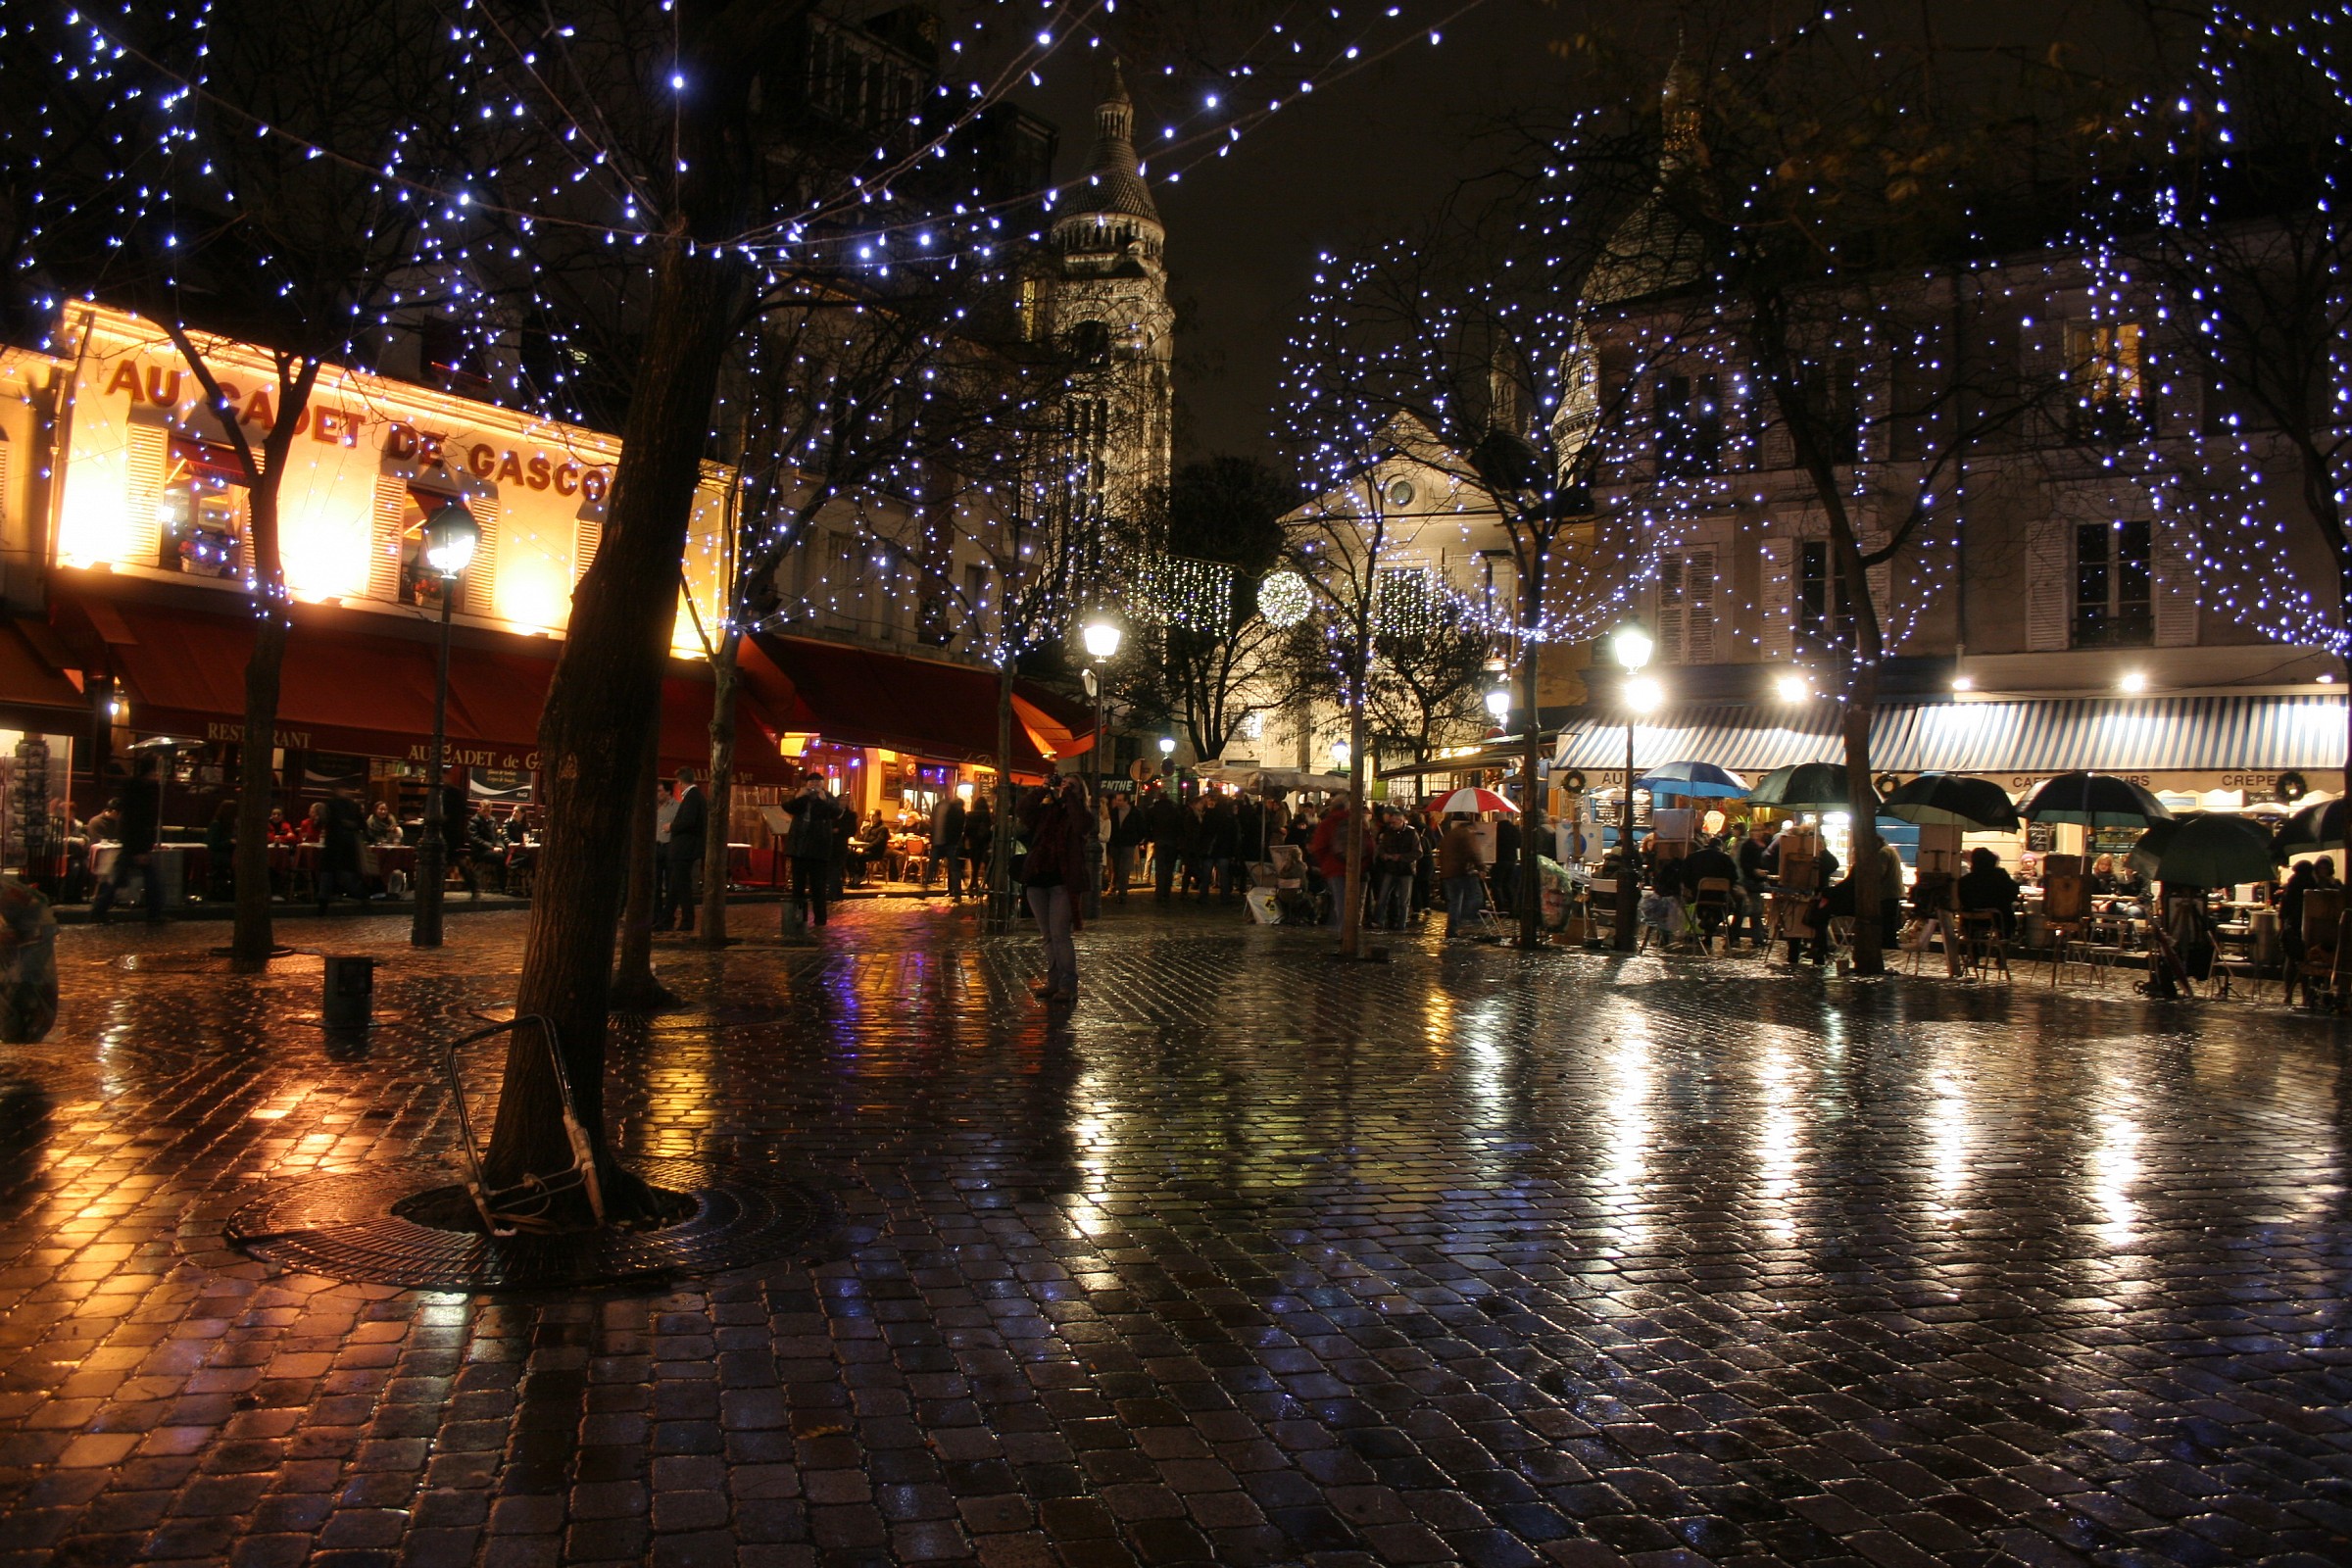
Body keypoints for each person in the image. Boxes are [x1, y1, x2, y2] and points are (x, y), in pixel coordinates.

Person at [1018, 777, 1090, 1005]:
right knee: (1048, 936)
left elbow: (1081, 825)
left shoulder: (1082, 815)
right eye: (1063, 784)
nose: (1065, 787)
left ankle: (1068, 985)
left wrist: (1069, 795)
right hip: (1038, 879)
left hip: (1062, 881)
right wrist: (1042, 790)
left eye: (1072, 785)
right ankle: (1054, 981)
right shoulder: (1047, 812)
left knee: (1060, 934)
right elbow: (1022, 810)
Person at [89, 760, 165, 923]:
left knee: (118, 879)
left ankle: (99, 910)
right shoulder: (142, 793)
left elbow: (131, 821)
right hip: (136, 844)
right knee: (148, 879)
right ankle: (154, 914)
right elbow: (139, 821)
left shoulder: (133, 791)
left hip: (132, 843)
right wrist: (141, 849)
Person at [781, 777, 839, 929]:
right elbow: (787, 807)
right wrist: (798, 796)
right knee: (797, 888)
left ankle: (820, 920)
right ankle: (799, 919)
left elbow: (836, 812)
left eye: (817, 783)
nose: (814, 786)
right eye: (811, 783)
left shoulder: (828, 798)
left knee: (818, 887)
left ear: (822, 784)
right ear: (806, 784)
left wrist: (823, 800)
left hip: (818, 852)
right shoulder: (802, 798)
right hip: (799, 850)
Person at [658, 766, 707, 932]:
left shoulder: (692, 797)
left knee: (682, 885)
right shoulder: (696, 796)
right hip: (685, 848)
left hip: (684, 848)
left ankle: (687, 920)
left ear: (680, 782)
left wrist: (671, 826)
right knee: (675, 885)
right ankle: (667, 919)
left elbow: (688, 821)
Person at [314, 788, 368, 913]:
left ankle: (323, 902)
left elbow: (322, 821)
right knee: (346, 874)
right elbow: (362, 825)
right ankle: (362, 895)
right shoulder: (353, 806)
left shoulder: (330, 804)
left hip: (332, 844)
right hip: (347, 846)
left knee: (327, 874)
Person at [1684, 834, 1740, 947]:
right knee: (1736, 905)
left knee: (1704, 907)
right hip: (1720, 898)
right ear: (1720, 847)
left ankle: (1707, 923)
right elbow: (1733, 878)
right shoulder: (1725, 859)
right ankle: (1728, 934)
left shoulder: (1693, 858)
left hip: (1698, 896)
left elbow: (1684, 876)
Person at [1308, 800, 1356, 928]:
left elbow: (1318, 847)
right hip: (1357, 868)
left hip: (1334, 867)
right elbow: (1369, 845)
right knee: (1354, 902)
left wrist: (1325, 864)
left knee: (1340, 901)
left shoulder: (1328, 823)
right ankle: (1350, 929)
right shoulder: (1357, 821)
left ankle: (1341, 931)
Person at [1956, 847, 2022, 939]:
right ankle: (2004, 944)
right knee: (2007, 911)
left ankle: (1973, 948)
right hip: (1997, 919)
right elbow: (2012, 892)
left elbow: (1962, 899)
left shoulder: (1965, 880)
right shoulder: (2000, 875)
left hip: (1970, 920)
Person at [1436, 813, 1484, 939]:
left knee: (1454, 902)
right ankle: (1466, 917)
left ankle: (1452, 928)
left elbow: (1442, 854)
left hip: (1448, 873)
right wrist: (1481, 868)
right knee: (1476, 897)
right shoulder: (1466, 834)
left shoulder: (1449, 835)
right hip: (1462, 872)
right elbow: (1473, 852)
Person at [1371, 808, 1419, 931]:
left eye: (1394, 823)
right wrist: (1384, 855)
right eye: (1390, 823)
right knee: (1382, 897)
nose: (1391, 825)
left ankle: (1401, 924)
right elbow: (1382, 848)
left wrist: (1402, 857)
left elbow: (1418, 852)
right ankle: (1378, 920)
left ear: (1401, 821)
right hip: (1391, 869)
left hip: (1406, 870)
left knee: (1404, 900)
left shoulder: (1411, 833)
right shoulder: (1389, 833)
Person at [1736, 820, 1775, 950]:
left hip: (1758, 880)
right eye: (1753, 830)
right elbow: (1744, 863)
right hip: (1748, 880)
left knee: (1751, 909)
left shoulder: (1764, 844)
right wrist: (1754, 870)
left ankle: (1746, 936)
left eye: (1758, 830)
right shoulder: (1747, 845)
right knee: (1752, 909)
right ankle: (1755, 938)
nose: (1756, 833)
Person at [1145, 786, 1185, 900]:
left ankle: (1159, 891)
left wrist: (1150, 838)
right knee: (1169, 868)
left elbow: (1148, 825)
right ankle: (1166, 891)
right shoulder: (1174, 810)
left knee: (1159, 867)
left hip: (1159, 840)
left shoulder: (1154, 810)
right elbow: (1180, 826)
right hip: (1172, 841)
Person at [1105, 793, 1143, 901]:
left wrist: (1135, 840)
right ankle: (1117, 887)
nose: (1118, 802)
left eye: (1120, 800)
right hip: (1115, 844)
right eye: (1117, 800)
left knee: (1125, 869)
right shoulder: (1113, 812)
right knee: (1116, 867)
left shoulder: (1135, 813)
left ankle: (1122, 892)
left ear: (1126, 801)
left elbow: (1141, 827)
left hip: (1128, 844)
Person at [934, 792, 967, 901]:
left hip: (948, 843)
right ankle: (956, 892)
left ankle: (953, 890)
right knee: (955, 868)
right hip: (954, 843)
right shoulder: (961, 813)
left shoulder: (953, 812)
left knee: (952, 868)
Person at [203, 799, 238, 901]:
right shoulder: (217, 825)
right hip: (218, 856)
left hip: (227, 854)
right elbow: (212, 845)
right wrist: (229, 842)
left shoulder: (229, 826)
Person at [961, 798, 994, 902]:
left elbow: (966, 830)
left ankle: (972, 886)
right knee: (986, 866)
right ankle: (983, 886)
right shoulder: (988, 815)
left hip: (973, 843)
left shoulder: (970, 815)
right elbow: (990, 830)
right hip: (984, 843)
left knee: (975, 865)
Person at [1492, 812, 1521, 917]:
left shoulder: (1495, 829)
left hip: (1498, 859)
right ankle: (1513, 908)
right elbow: (1519, 843)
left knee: (1497, 884)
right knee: (1508, 884)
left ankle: (1500, 908)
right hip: (1511, 860)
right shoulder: (1514, 829)